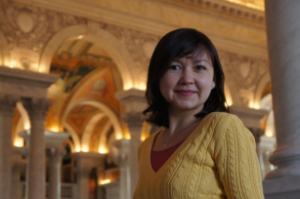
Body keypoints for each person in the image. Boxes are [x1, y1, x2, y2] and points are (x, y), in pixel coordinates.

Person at [134, 28, 264, 199]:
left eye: (199, 67)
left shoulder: (224, 128)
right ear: (158, 76)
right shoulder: (146, 147)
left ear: (213, 81)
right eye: (175, 67)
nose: (187, 79)